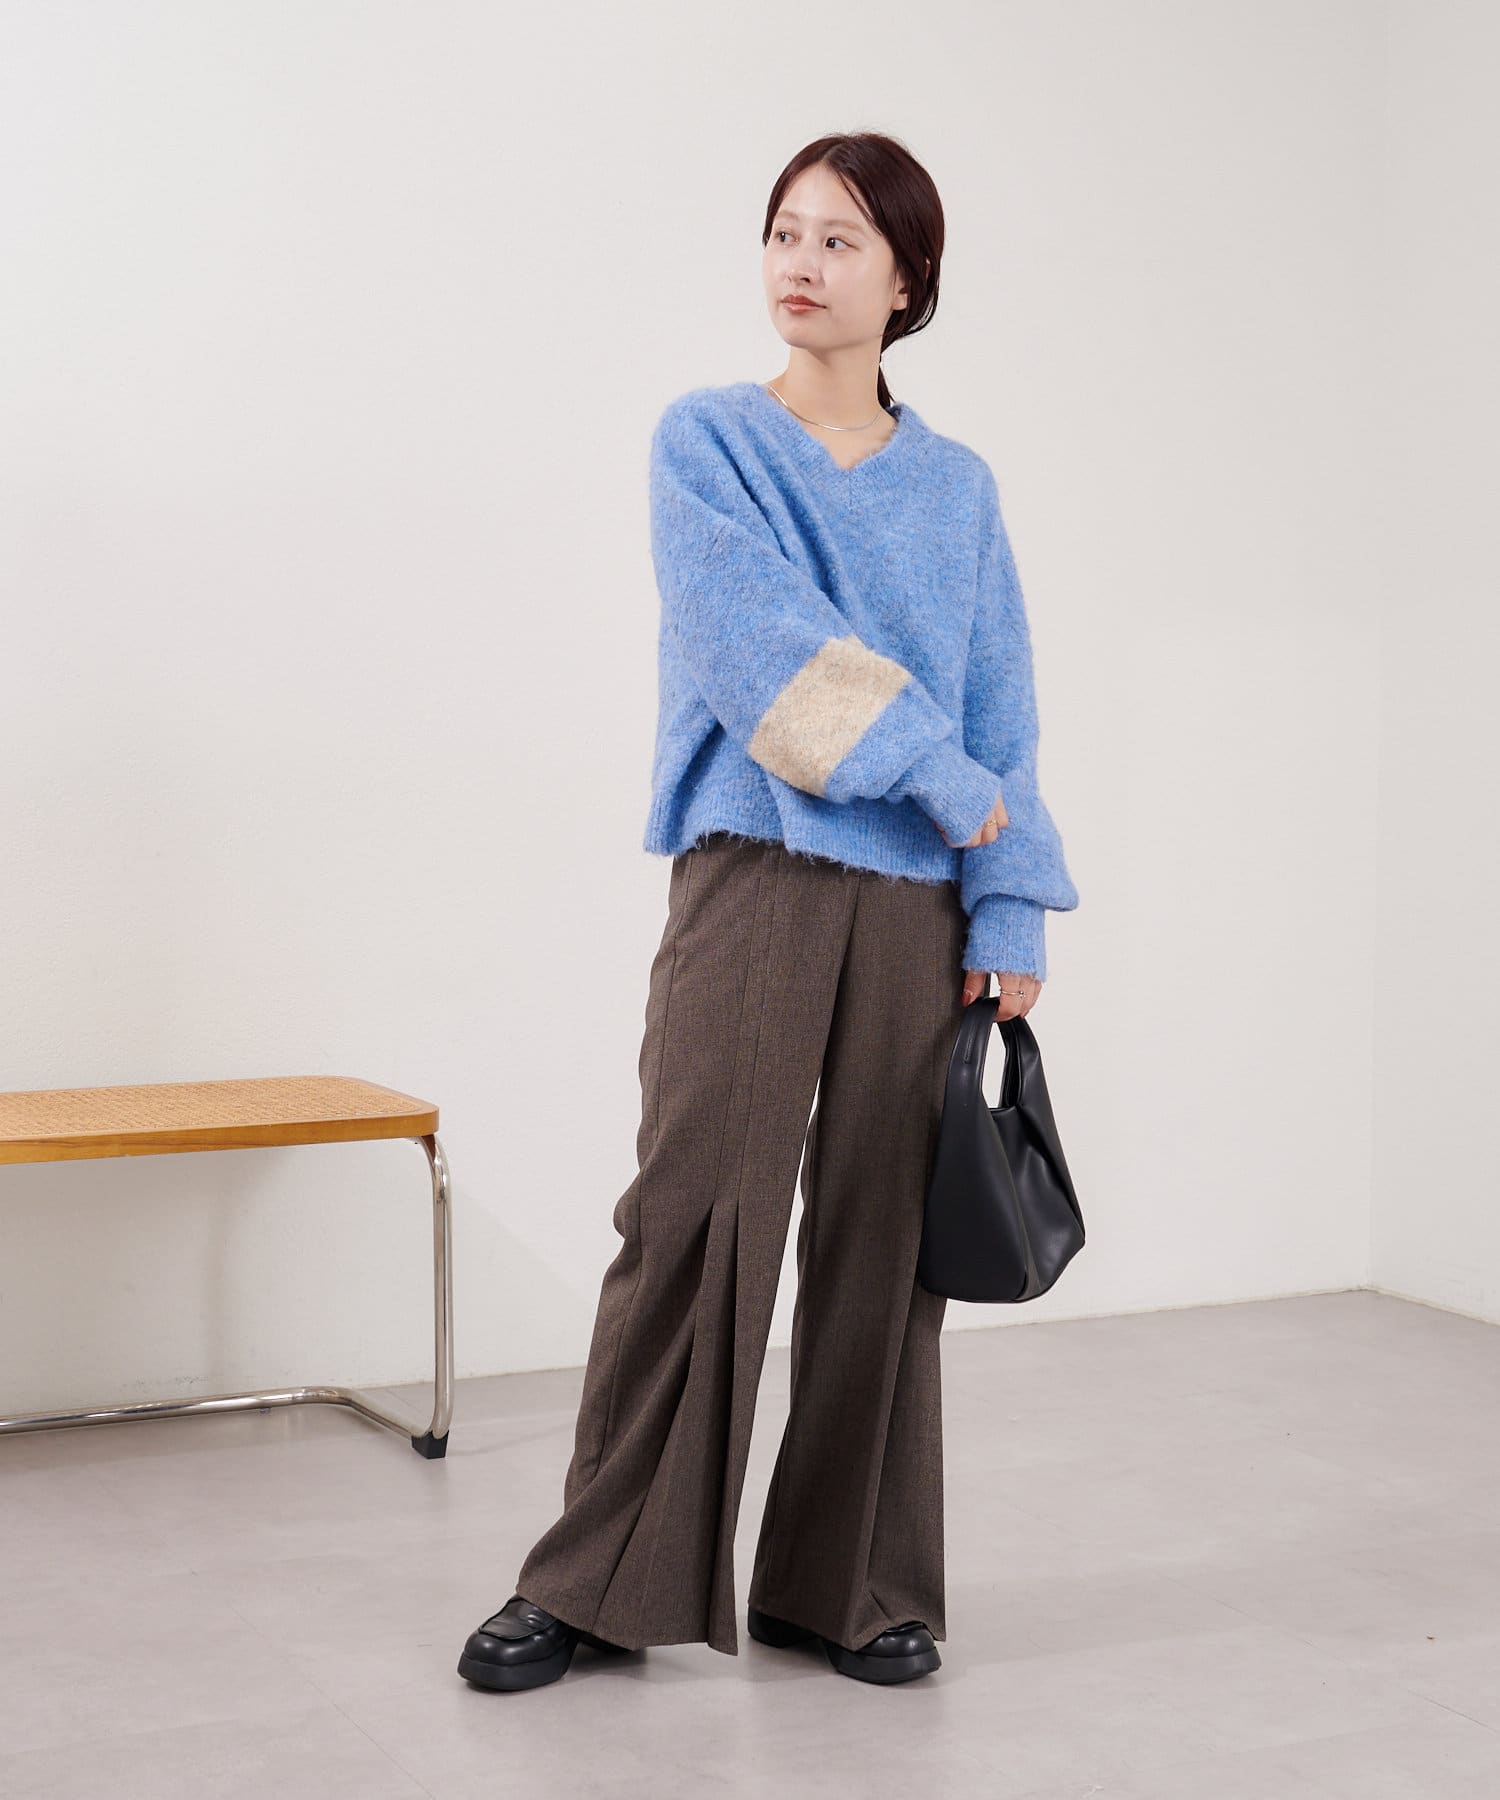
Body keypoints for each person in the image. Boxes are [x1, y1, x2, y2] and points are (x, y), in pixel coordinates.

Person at [458, 130, 1078, 1694]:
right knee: (693, 1215)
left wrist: (1009, 902)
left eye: (840, 240)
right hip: (755, 868)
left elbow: (1003, 710)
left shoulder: (959, 488)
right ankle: (601, 1584)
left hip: (921, 906)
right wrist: (939, 777)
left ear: (907, 280)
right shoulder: (711, 440)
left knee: (887, 1241)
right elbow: (755, 646)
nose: (801, 263)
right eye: (785, 231)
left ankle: (846, 1587)